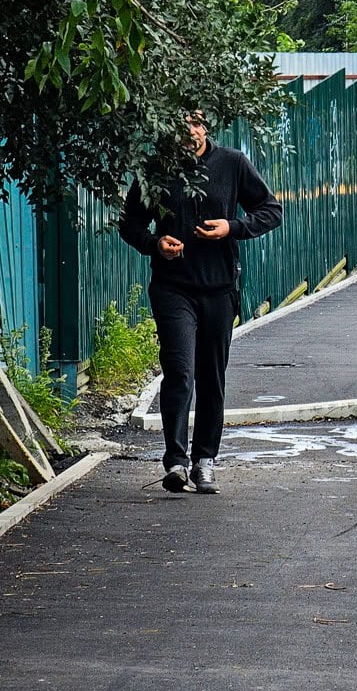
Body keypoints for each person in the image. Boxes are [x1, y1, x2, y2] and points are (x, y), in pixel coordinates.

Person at [119, 112, 282, 494]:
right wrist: (154, 244)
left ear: (206, 127)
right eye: (179, 125)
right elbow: (130, 223)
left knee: (211, 376)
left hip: (219, 288)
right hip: (173, 287)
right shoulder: (156, 171)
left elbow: (271, 210)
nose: (188, 132)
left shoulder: (232, 163)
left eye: (194, 124)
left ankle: (204, 461)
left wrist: (233, 227)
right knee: (179, 371)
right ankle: (175, 461)